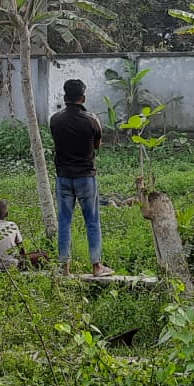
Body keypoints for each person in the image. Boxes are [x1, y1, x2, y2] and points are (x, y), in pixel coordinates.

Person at [51, 78, 114, 277]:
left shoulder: (55, 120)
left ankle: (64, 268)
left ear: (65, 97)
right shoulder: (92, 120)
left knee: (64, 222)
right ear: (83, 98)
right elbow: (97, 145)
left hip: (63, 177)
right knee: (92, 221)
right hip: (86, 177)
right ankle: (96, 267)